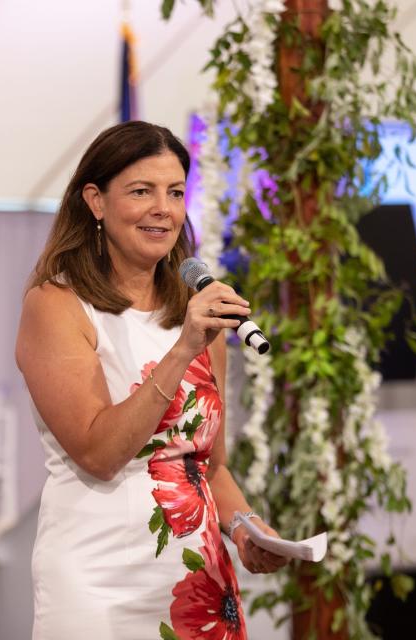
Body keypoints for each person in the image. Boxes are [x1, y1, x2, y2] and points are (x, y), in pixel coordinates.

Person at [16, 121, 287, 639]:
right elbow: (99, 452)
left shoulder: (199, 314)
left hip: (195, 575)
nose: (164, 208)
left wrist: (245, 528)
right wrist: (183, 348)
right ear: (95, 200)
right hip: (100, 583)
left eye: (176, 192)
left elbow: (210, 466)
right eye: (142, 191)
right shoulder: (55, 306)